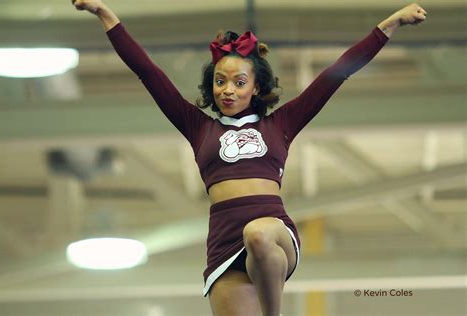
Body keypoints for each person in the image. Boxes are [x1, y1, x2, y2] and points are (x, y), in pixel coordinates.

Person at [71, 1, 427, 315]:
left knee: (256, 233)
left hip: (273, 235)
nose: (229, 90)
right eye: (221, 82)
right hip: (224, 241)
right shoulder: (198, 128)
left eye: (239, 82)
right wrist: (107, 16)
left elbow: (338, 72)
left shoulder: (282, 123)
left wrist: (389, 25)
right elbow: (148, 73)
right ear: (212, 84)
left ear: (256, 87)